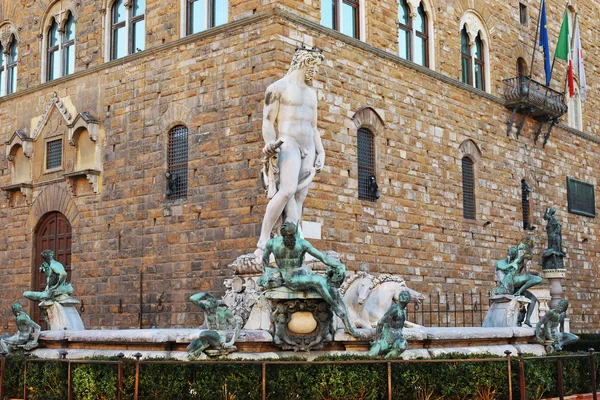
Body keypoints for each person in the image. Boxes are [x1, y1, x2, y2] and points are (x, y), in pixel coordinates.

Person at [255, 46, 326, 257]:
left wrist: (320, 152)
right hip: (288, 143)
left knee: (298, 197)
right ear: (304, 63)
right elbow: (267, 122)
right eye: (314, 66)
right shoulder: (277, 88)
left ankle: (291, 245)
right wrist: (270, 145)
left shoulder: (312, 93)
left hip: (309, 146)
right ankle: (263, 240)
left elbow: (314, 127)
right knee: (286, 190)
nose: (315, 72)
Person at [258, 221, 359, 337]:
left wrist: (337, 265)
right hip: (290, 278)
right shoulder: (276, 244)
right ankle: (337, 309)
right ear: (287, 234)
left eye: (291, 236)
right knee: (317, 282)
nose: (291, 238)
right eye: (289, 236)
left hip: (302, 272)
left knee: (329, 286)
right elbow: (264, 261)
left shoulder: (298, 244)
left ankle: (347, 324)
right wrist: (268, 274)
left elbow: (322, 258)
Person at [493, 239, 542, 327]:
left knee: (533, 299)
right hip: (510, 283)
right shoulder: (501, 263)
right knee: (537, 279)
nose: (512, 255)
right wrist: (514, 263)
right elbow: (504, 268)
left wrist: (525, 258)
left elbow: (524, 268)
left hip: (515, 284)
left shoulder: (516, 261)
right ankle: (519, 292)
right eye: (511, 253)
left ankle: (527, 320)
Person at [368, 290, 409, 359]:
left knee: (403, 346)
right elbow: (380, 322)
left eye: (405, 295)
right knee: (371, 355)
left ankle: (386, 361)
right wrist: (378, 339)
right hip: (386, 338)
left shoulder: (403, 312)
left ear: (409, 299)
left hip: (397, 338)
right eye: (401, 295)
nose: (402, 296)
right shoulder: (394, 308)